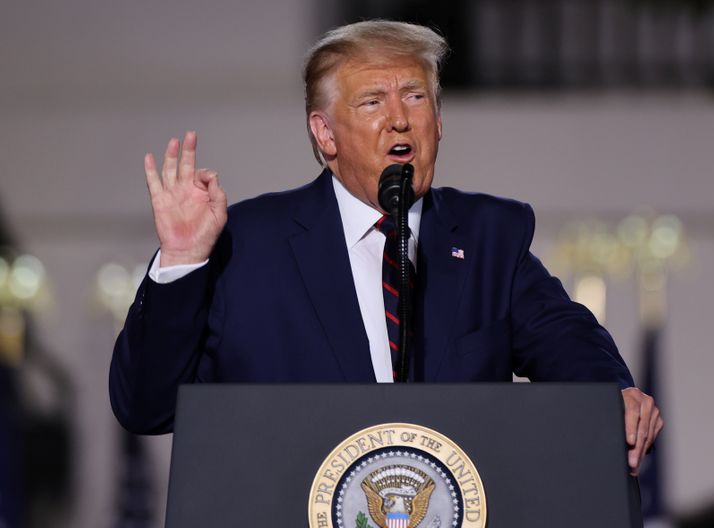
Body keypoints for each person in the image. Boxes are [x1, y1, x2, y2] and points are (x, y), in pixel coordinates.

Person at [109, 20, 663, 475]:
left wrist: (610, 394)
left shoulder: (487, 236)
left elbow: (565, 335)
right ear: (324, 134)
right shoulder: (246, 246)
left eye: (415, 96)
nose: (400, 117)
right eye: (372, 101)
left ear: (439, 121)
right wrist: (182, 261)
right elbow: (146, 405)